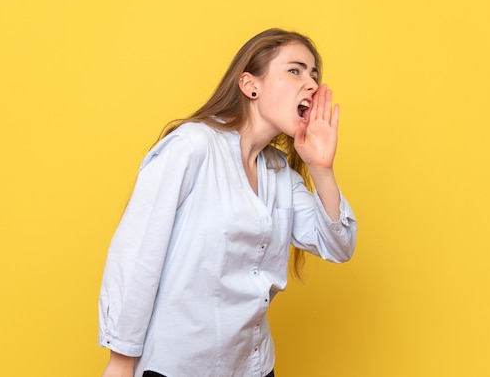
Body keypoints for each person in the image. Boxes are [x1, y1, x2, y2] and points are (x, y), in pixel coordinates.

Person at [98, 28, 358, 377]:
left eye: (314, 75)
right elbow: (136, 257)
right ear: (251, 85)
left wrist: (321, 168)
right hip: (179, 367)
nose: (311, 84)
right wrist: (121, 362)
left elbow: (338, 245)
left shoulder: (279, 172)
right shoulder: (192, 148)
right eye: (295, 70)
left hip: (253, 367)